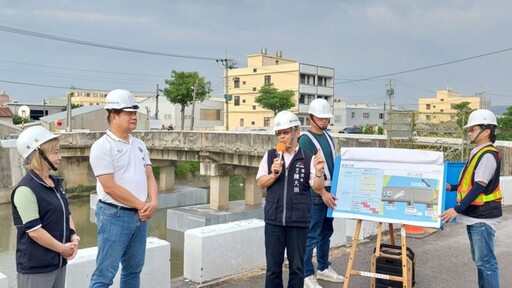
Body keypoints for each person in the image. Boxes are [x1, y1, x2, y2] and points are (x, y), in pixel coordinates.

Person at [89, 89, 158, 288]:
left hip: (139, 216)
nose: (134, 117)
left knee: (133, 270)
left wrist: (153, 202)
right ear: (113, 116)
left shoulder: (139, 144)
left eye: (134, 113)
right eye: (129, 113)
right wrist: (142, 205)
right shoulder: (102, 147)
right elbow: (109, 187)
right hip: (115, 215)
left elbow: (149, 175)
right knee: (105, 274)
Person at [256, 110, 326, 288]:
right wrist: (273, 174)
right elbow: (260, 183)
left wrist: (318, 171)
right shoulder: (270, 155)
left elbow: (317, 188)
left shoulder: (307, 158)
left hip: (298, 221)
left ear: (297, 132)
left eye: (286, 132)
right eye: (279, 133)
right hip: (274, 221)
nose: (282, 137)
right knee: (273, 268)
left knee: (297, 268)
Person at [440, 109, 502, 288]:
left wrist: (456, 209)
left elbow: (479, 187)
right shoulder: (477, 152)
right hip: (476, 215)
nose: (469, 132)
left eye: (472, 129)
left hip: (483, 217)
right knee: (481, 261)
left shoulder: (488, 155)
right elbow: (469, 183)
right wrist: (450, 187)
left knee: (486, 264)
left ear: (487, 131)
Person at [12, 126, 79, 288]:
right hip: (37, 268)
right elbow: (34, 231)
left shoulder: (55, 184)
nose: (60, 156)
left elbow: (66, 213)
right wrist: (62, 249)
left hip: (58, 263)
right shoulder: (26, 189)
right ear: (39, 155)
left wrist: (74, 237)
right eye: (55, 152)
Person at [299, 99, 344, 288]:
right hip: (316, 194)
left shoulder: (328, 137)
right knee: (312, 234)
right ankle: (306, 273)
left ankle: (324, 267)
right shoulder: (305, 140)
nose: (325, 121)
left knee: (326, 232)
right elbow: (307, 173)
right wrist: (322, 192)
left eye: (327, 118)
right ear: (311, 118)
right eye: (321, 117)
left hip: (329, 192)